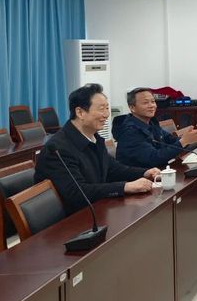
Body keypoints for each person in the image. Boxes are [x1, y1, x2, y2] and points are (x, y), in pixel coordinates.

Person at [35, 84, 160, 215]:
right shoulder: (58, 149)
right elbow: (77, 192)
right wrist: (125, 187)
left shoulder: (94, 137)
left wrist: (145, 173)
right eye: (101, 109)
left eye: (107, 108)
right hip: (73, 218)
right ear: (80, 112)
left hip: (96, 209)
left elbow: (112, 168)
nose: (106, 114)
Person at [114, 87, 197, 169]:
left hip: (157, 172)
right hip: (138, 179)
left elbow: (171, 140)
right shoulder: (130, 132)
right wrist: (183, 141)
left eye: (153, 101)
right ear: (132, 108)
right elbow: (154, 158)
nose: (151, 105)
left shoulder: (151, 123)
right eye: (145, 103)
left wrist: (188, 138)